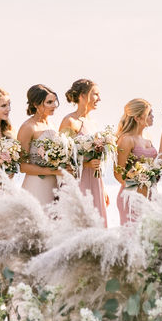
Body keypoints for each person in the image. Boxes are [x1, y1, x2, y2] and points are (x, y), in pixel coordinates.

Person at [59, 79, 109, 226]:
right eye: (95, 94)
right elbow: (61, 157)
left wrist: (104, 189)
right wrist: (86, 163)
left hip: (96, 180)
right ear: (82, 95)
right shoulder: (70, 121)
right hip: (78, 180)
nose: (99, 99)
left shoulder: (93, 123)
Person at [18, 84, 66, 206]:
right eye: (49, 102)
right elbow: (22, 166)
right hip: (36, 185)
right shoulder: (28, 127)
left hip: (55, 184)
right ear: (35, 104)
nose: (54, 105)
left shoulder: (52, 124)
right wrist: (52, 171)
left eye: (55, 101)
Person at [115, 99, 158, 224]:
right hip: (132, 197)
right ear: (138, 118)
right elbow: (118, 173)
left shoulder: (148, 137)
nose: (153, 116)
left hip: (151, 193)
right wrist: (138, 189)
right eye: (149, 113)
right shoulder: (126, 140)